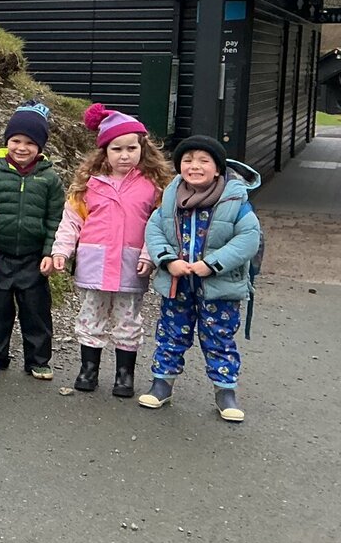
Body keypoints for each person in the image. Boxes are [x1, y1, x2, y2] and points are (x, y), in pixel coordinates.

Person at [139, 136, 262, 423]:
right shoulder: (170, 198)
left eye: (204, 161)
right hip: (178, 284)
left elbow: (249, 238)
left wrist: (212, 264)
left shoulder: (235, 200)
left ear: (218, 168)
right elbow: (154, 230)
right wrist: (168, 260)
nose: (195, 166)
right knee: (171, 334)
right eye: (187, 160)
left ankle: (225, 391)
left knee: (219, 338)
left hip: (219, 288)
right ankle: (162, 383)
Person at [50, 104, 169, 396]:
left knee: (128, 318)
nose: (125, 155)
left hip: (132, 264)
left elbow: (160, 226)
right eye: (117, 149)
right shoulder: (89, 185)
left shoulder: (153, 187)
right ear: (105, 151)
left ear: (143, 149)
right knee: (91, 315)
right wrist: (61, 250)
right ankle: (88, 369)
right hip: (95, 263)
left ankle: (124, 375)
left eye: (131, 148)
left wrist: (149, 256)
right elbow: (72, 221)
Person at [0, 100, 64, 379]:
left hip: (34, 258)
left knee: (36, 311)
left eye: (30, 143)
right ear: (7, 141)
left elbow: (55, 220)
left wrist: (50, 252)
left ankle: (38, 359)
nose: (22, 148)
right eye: (16, 140)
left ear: (40, 147)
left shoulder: (50, 179)